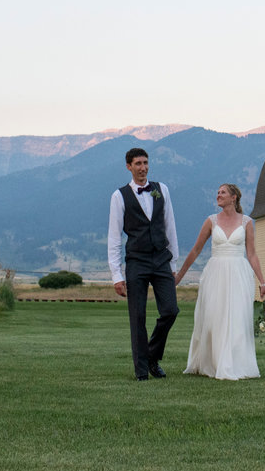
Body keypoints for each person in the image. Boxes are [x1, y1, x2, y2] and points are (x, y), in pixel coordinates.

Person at [174, 183, 265, 380]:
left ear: (233, 197)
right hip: (215, 273)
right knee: (213, 316)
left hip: (238, 274)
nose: (218, 195)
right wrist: (179, 276)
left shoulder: (247, 222)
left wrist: (263, 282)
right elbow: (195, 250)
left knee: (237, 317)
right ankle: (213, 362)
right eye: (217, 192)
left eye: (222, 192)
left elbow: (252, 254)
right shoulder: (211, 221)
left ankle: (235, 363)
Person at [107, 146, 181, 381]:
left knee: (170, 311)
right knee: (137, 316)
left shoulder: (162, 190)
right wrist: (116, 275)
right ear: (128, 167)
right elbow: (114, 237)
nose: (143, 167)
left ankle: (151, 356)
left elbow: (170, 226)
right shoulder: (119, 196)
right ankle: (141, 371)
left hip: (161, 260)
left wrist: (174, 263)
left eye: (145, 163)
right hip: (136, 261)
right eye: (138, 163)